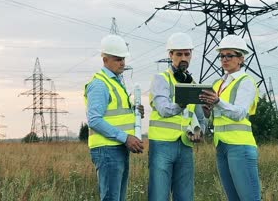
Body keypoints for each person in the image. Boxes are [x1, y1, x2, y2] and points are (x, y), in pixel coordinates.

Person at [199, 35, 262, 201]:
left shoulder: (246, 81)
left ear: (241, 58)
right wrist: (207, 112)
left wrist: (218, 102)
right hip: (221, 146)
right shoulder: (218, 84)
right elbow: (218, 114)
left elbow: (240, 112)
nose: (224, 59)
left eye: (229, 55)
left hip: (240, 146)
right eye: (222, 56)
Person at [85, 34, 145, 201]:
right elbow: (94, 119)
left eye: (123, 59)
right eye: (118, 59)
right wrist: (125, 138)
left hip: (117, 148)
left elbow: (117, 114)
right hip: (107, 149)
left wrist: (135, 112)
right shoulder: (100, 84)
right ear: (105, 60)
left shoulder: (116, 82)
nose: (123, 63)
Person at [148, 32, 206, 201]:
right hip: (162, 145)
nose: (183, 58)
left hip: (186, 145)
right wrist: (182, 103)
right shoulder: (161, 79)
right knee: (159, 196)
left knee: (185, 197)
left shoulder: (194, 83)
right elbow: (164, 110)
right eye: (179, 54)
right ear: (170, 55)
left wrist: (200, 132)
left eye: (187, 54)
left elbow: (200, 117)